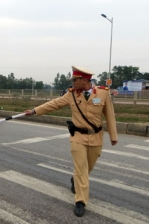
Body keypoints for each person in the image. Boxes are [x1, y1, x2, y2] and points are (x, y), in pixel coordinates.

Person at [23, 66, 118, 217]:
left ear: (84, 80)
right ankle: (80, 201)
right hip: (78, 137)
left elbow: (110, 115)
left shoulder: (103, 93)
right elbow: (54, 104)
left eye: (75, 80)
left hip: (96, 137)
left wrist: (113, 136)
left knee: (88, 167)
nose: (73, 82)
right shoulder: (72, 94)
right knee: (81, 168)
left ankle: (75, 180)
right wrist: (34, 111)